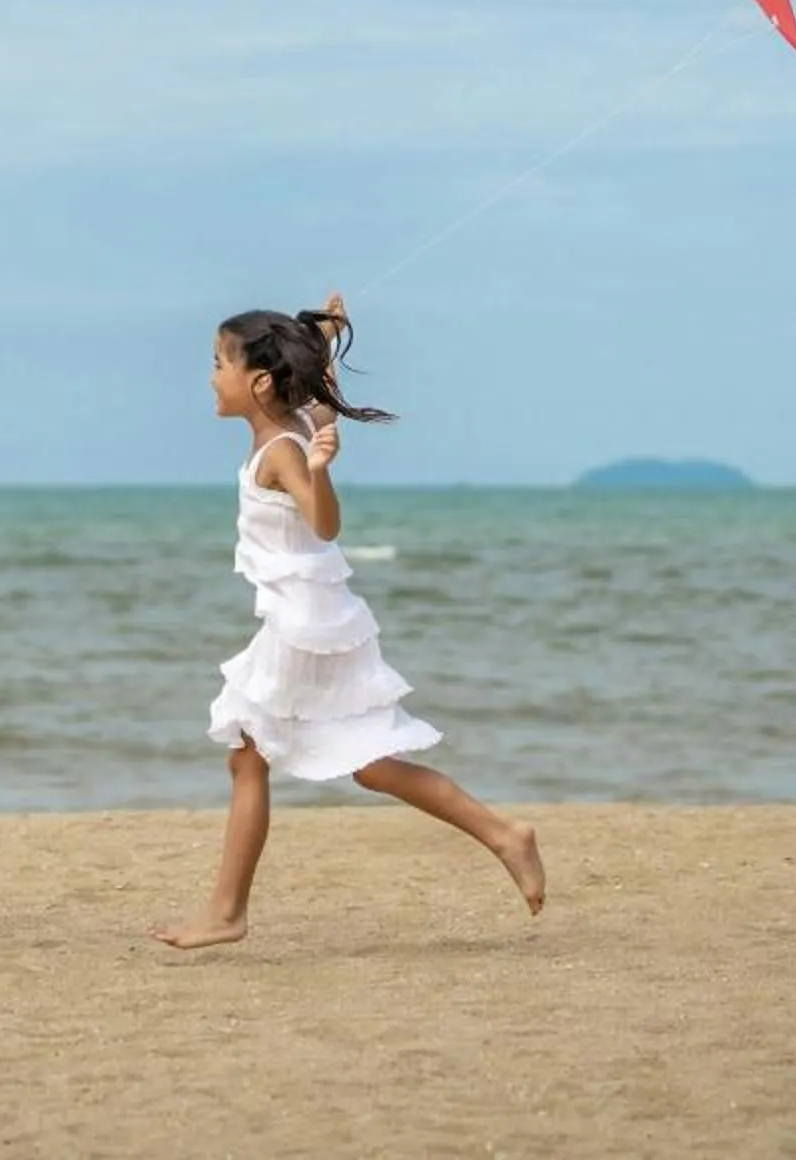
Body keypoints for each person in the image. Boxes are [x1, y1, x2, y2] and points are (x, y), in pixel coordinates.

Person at [153, 295, 545, 950]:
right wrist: (324, 335)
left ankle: (227, 913)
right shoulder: (301, 418)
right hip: (315, 614)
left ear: (256, 381)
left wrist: (319, 471)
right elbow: (316, 393)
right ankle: (504, 834)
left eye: (218, 362)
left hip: (303, 620)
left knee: (252, 753)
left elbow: (326, 524)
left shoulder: (284, 447)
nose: (211, 376)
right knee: (359, 763)